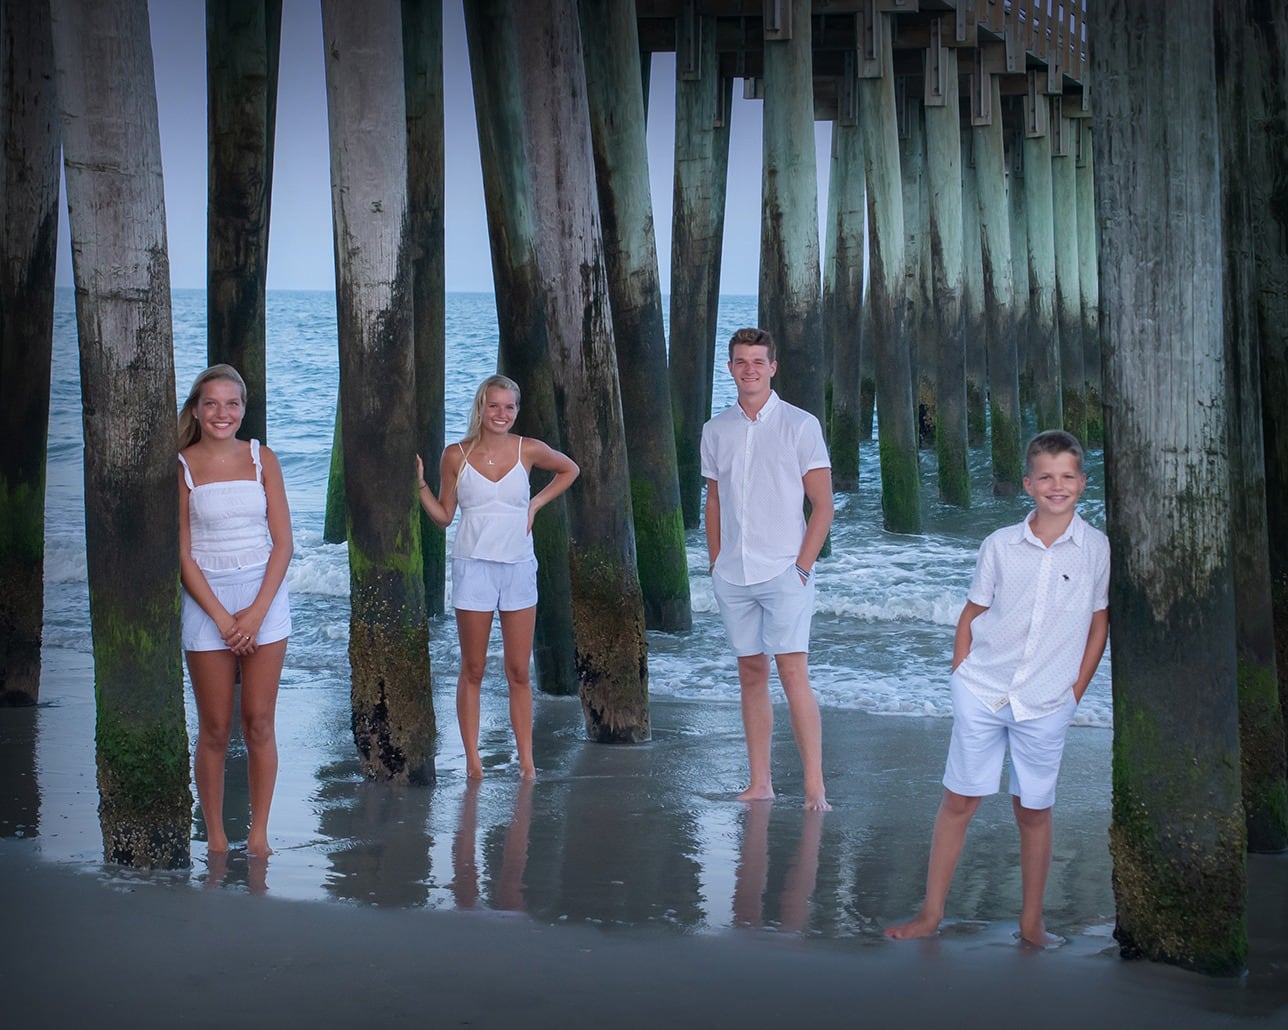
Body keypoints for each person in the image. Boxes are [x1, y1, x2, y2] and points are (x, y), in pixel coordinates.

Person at [885, 429, 1110, 946]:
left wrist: (1076, 689)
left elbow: (1099, 623)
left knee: (1033, 811)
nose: (1058, 486)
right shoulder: (1000, 546)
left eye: (1068, 477)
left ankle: (1032, 923)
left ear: (1082, 483)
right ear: (1029, 483)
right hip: (983, 691)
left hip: (1049, 699)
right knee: (960, 801)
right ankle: (930, 915)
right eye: (1046, 477)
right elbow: (972, 615)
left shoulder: (1096, 549)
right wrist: (960, 675)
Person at [417, 374, 578, 780]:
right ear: (481, 407)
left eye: (509, 407)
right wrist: (418, 486)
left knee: (518, 671)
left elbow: (570, 469)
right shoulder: (455, 455)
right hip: (473, 567)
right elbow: (443, 517)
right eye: (494, 406)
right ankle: (474, 762)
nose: (501, 414)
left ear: (516, 411)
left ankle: (527, 762)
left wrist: (537, 503)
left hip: (519, 568)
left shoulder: (529, 449)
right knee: (472, 668)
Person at [701, 327, 834, 811]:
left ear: (773, 368)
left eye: (758, 361)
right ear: (731, 368)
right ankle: (761, 782)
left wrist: (801, 569)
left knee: (793, 673)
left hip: (784, 571)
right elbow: (713, 499)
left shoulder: (801, 425)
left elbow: (823, 506)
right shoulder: (716, 430)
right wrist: (715, 562)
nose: (749, 369)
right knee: (751, 673)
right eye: (741, 361)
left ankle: (814, 784)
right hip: (733, 574)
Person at [178, 364, 292, 857]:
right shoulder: (180, 465)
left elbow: (284, 545)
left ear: (244, 409)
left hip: (263, 597)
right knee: (216, 728)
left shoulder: (262, 457)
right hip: (207, 602)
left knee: (259, 722)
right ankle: (218, 838)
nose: (222, 413)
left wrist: (254, 614)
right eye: (212, 403)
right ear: (197, 409)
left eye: (232, 404)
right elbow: (182, 554)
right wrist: (225, 620)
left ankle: (260, 834)